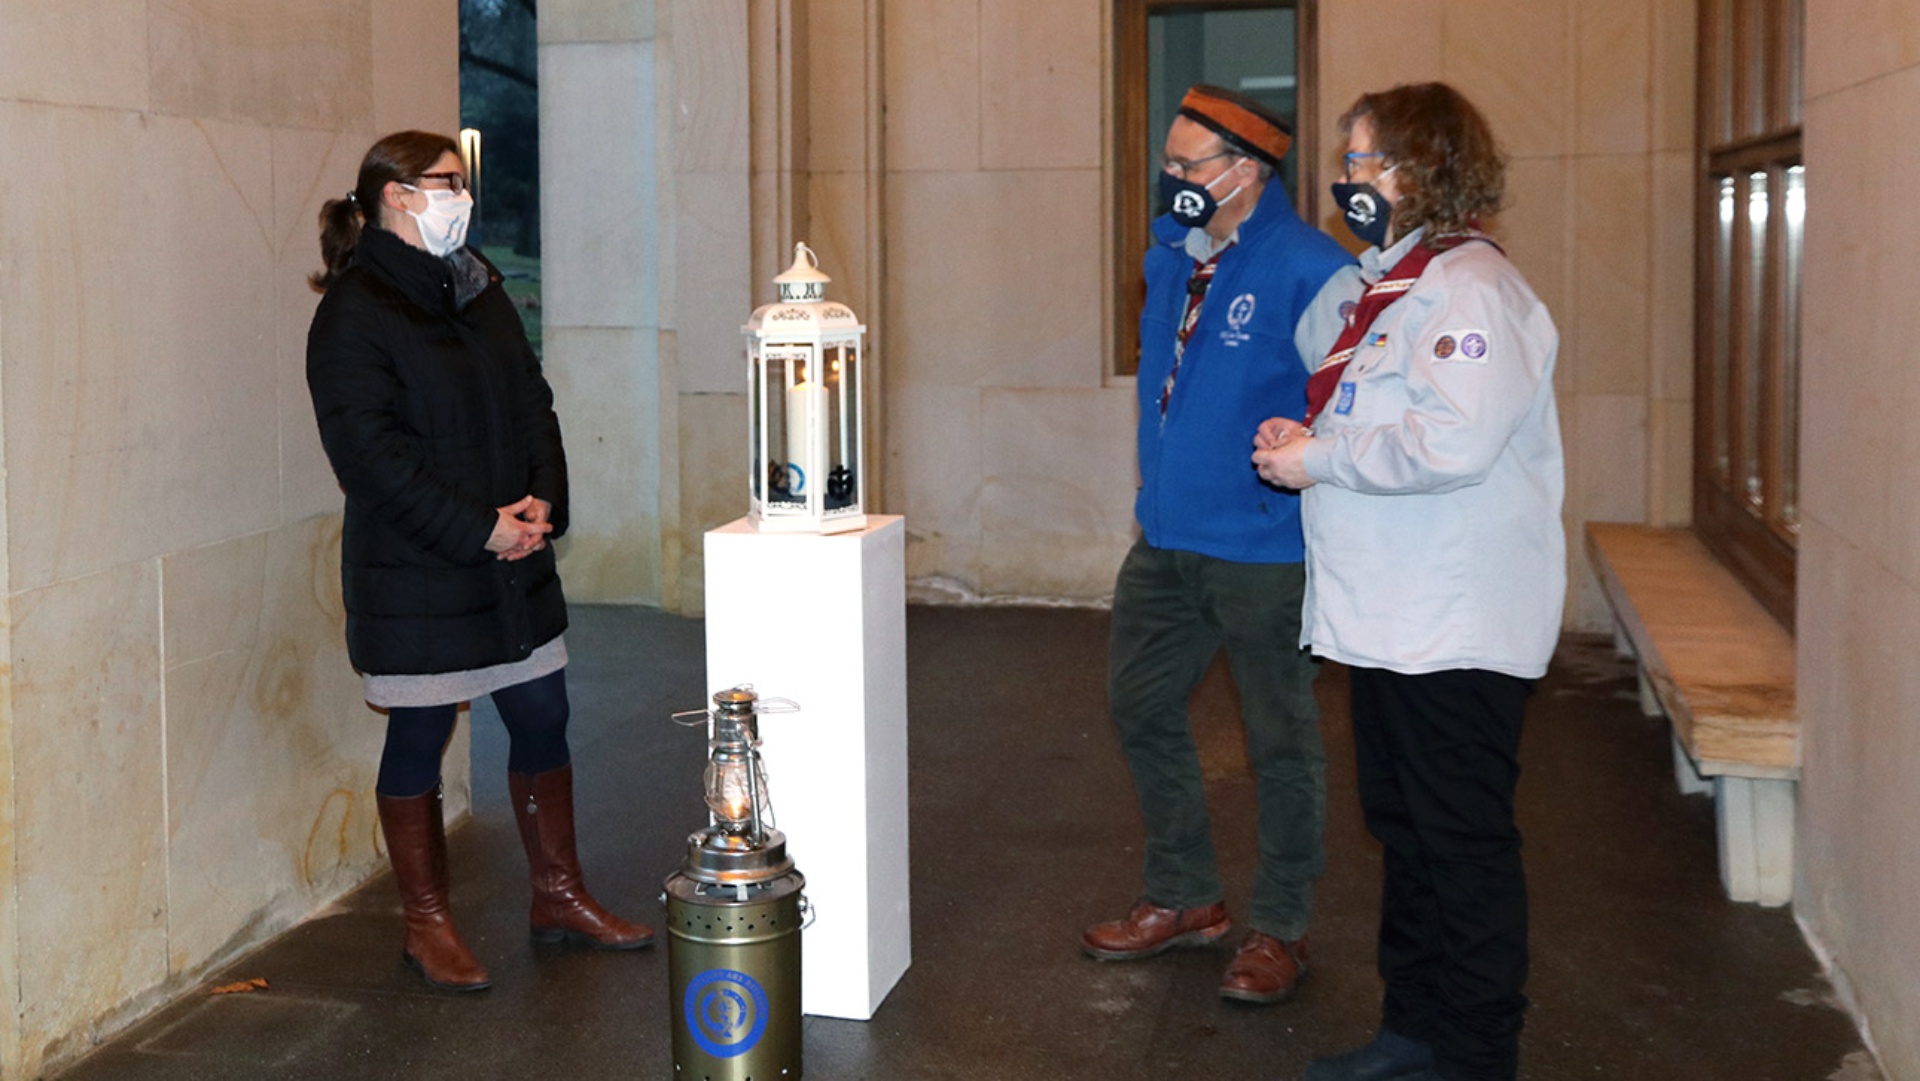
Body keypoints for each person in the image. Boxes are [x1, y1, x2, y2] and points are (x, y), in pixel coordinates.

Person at [1251, 83, 1564, 1081]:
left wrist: (1322, 461)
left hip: (1455, 623)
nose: (1346, 179)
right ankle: (1413, 1033)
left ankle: (1476, 1057)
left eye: (1364, 160)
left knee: (1461, 847)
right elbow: (1362, 408)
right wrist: (1309, 438)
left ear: (1425, 170)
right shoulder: (1378, 286)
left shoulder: (1474, 293)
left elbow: (1452, 441)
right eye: (1345, 161)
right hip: (1388, 618)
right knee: (1408, 835)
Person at [306, 131, 651, 994]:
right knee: (422, 730)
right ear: (394, 195)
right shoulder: (354, 309)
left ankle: (559, 895)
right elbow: (371, 458)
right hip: (423, 565)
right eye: (445, 183)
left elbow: (532, 399)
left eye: (461, 183)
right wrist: (478, 529)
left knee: (542, 711)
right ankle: (426, 925)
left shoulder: (477, 284)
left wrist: (543, 500)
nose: (463, 197)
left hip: (510, 557)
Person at [1081, 85, 1357, 1005]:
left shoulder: (1312, 267)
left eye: (1189, 163)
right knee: (1141, 704)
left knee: (1281, 741)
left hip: (1263, 547)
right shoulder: (1172, 257)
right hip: (1164, 537)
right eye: (1169, 159)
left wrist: (1311, 438)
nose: (1172, 177)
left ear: (1247, 170)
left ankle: (1280, 926)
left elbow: (1353, 398)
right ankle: (1185, 895)